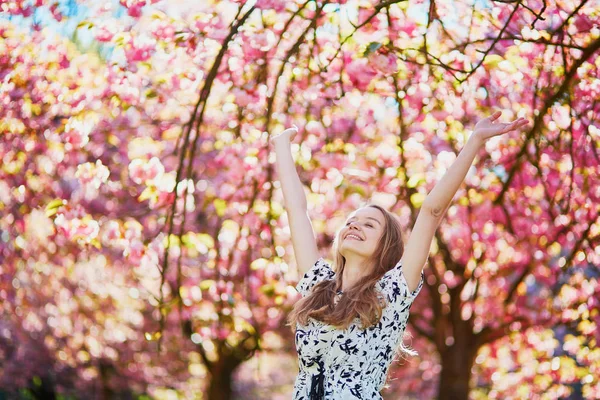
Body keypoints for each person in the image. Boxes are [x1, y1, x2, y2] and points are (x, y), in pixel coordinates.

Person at [270, 111, 529, 399]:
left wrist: (475, 141)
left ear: (385, 247)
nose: (354, 225)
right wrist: (282, 147)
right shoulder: (317, 284)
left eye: (369, 224)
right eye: (352, 221)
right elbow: (296, 211)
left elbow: (432, 211)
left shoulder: (392, 292)